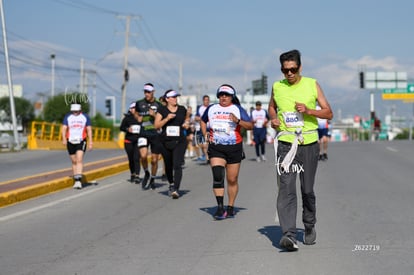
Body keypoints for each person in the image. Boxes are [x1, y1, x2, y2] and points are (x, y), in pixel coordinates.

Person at [268, 49, 333, 251]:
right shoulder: (277, 87)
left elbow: (328, 113)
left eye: (293, 69)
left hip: (308, 144)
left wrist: (309, 110)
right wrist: (273, 119)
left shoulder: (312, 84)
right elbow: (271, 107)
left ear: (300, 67)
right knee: (286, 189)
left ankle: (309, 224)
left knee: (306, 190)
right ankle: (288, 235)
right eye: (285, 70)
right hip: (286, 145)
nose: (289, 74)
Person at [200, 84, 253, 220]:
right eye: (221, 95)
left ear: (232, 97)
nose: (224, 97)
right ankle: (219, 207)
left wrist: (238, 121)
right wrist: (205, 133)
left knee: (232, 179)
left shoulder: (237, 109)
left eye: (227, 95)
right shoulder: (212, 109)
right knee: (218, 176)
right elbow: (203, 120)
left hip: (234, 147)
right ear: (218, 96)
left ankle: (230, 206)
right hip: (216, 147)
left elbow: (250, 126)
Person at [154, 89, 190, 199]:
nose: (175, 99)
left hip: (179, 141)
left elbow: (187, 118)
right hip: (165, 141)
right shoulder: (162, 110)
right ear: (167, 99)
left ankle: (176, 189)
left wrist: (186, 123)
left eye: (176, 97)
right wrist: (166, 119)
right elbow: (156, 125)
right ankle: (171, 183)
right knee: (168, 165)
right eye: (173, 97)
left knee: (177, 164)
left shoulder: (181, 109)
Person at [135, 83, 164, 190]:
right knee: (143, 156)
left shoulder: (159, 105)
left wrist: (154, 115)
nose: (146, 94)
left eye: (148, 92)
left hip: (155, 135)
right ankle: (146, 172)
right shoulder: (139, 103)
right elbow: (136, 113)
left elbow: (162, 119)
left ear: (153, 92)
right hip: (143, 133)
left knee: (154, 160)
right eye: (145, 92)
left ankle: (152, 177)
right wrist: (137, 117)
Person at [61, 103, 93, 189]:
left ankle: (78, 180)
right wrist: (64, 138)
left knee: (79, 159)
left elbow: (89, 129)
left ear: (80, 110)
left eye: (76, 111)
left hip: (81, 140)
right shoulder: (68, 117)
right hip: (70, 141)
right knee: (74, 161)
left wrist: (90, 142)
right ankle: (76, 179)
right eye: (73, 111)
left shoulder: (85, 117)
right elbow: (64, 128)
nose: (75, 112)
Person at [120, 102, 141, 183]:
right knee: (131, 159)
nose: (133, 110)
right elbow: (121, 128)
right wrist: (127, 129)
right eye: (131, 108)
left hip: (138, 141)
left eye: (134, 108)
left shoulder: (140, 117)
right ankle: (132, 173)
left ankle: (137, 175)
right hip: (128, 141)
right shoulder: (127, 118)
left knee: (136, 158)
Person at [194, 95, 211, 163]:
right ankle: (207, 157)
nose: (206, 101)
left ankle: (209, 156)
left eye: (207, 100)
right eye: (205, 100)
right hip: (202, 128)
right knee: (203, 144)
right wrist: (203, 118)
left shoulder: (211, 108)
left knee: (209, 144)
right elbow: (196, 118)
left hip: (210, 128)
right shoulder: (200, 108)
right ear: (203, 101)